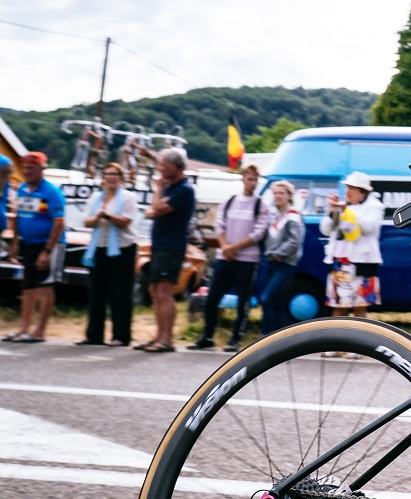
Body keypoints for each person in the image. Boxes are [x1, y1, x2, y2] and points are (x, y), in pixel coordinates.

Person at [190, 165, 270, 352]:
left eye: (255, 180)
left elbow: (258, 233)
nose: (252, 183)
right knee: (212, 297)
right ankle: (207, 336)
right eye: (249, 179)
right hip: (225, 257)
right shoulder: (230, 201)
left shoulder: (260, 206)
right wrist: (225, 246)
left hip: (247, 260)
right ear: (242, 179)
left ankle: (235, 338)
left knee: (243, 301)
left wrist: (235, 248)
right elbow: (219, 225)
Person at [2, 152, 65, 343]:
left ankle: (40, 331)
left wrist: (47, 251)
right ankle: (23, 329)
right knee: (28, 287)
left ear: (41, 169)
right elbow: (19, 217)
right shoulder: (22, 190)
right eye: (25, 168)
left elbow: (59, 222)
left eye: (32, 168)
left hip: (49, 245)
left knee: (44, 287)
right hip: (28, 244)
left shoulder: (51, 191)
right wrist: (14, 243)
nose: (27, 171)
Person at [138, 148, 195, 353]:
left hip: (172, 246)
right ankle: (159, 336)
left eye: (163, 165)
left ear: (175, 166)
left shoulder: (183, 189)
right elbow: (152, 211)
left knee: (164, 291)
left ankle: (167, 339)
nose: (159, 169)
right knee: (154, 290)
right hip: (160, 244)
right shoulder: (172, 186)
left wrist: (158, 188)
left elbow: (156, 210)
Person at [80, 161, 139, 347]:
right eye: (107, 174)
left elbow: (125, 222)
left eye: (115, 174)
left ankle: (121, 336)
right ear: (103, 177)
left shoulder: (128, 197)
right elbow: (87, 221)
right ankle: (94, 335)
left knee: (119, 293)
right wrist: (98, 217)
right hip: (99, 247)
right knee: (96, 293)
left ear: (120, 178)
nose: (111, 177)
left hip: (122, 249)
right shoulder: (96, 197)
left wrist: (107, 217)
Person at [321, 171, 384, 317]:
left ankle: (360, 339)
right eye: (347, 187)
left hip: (362, 263)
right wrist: (333, 212)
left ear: (362, 192)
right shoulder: (342, 206)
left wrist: (349, 211)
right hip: (339, 263)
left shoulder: (375, 206)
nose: (347, 191)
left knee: (360, 307)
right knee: (338, 307)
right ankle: (337, 339)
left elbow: (370, 228)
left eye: (352, 188)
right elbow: (325, 230)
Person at [259, 180, 305, 336]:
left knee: (267, 298)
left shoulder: (294, 216)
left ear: (289, 196)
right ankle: (279, 336)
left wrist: (279, 253)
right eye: (275, 193)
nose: (277, 196)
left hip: (285, 263)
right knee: (277, 301)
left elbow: (295, 240)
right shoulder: (273, 214)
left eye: (281, 193)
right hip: (271, 262)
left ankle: (265, 335)